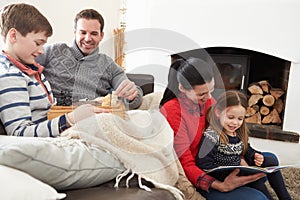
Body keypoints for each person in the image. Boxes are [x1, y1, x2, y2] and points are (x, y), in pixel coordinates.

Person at [159, 57, 271, 200]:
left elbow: (227, 132)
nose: (209, 97)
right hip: (205, 172)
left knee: (269, 161)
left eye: (211, 90)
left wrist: (243, 157)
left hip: (222, 162)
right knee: (258, 198)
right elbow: (185, 164)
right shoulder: (172, 111)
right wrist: (220, 185)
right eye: (201, 94)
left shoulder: (209, 101)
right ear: (182, 88)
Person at [0, 3, 108, 137]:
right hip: (49, 140)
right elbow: (19, 132)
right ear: (13, 36)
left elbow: (49, 110)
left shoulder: (30, 69)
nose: (41, 51)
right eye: (38, 43)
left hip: (56, 129)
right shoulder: (10, 76)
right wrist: (70, 119)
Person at [35, 9, 143, 109]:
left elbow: (134, 96)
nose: (87, 39)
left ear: (101, 36)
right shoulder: (54, 51)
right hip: (54, 117)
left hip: (91, 119)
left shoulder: (109, 65)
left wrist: (132, 95)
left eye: (94, 34)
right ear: (75, 33)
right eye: (83, 32)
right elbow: (22, 61)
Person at [196, 90, 291, 200]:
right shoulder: (211, 135)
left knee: (271, 161)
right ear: (218, 113)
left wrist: (255, 155)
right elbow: (203, 164)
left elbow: (246, 149)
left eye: (240, 119)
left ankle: (286, 198)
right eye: (230, 117)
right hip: (224, 177)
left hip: (240, 170)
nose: (235, 123)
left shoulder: (238, 132)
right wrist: (227, 174)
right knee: (257, 184)